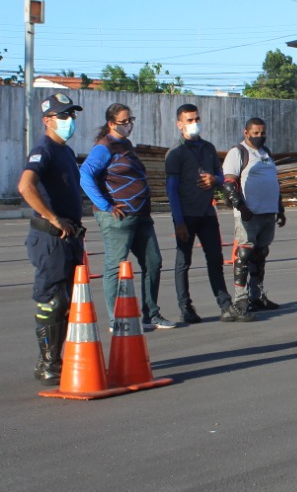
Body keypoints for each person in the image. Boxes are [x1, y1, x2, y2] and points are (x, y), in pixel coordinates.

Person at [80, 103, 177, 332]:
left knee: (153, 261)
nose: (129, 125)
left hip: (140, 215)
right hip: (118, 218)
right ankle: (116, 321)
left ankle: (151, 314)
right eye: (124, 122)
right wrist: (106, 205)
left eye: (130, 120)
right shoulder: (105, 147)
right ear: (111, 124)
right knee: (115, 265)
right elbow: (85, 174)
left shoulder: (126, 145)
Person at [17, 93, 86, 385]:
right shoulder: (43, 149)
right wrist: (52, 216)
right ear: (47, 121)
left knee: (69, 300)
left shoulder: (66, 152)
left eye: (72, 115)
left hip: (69, 236)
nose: (69, 121)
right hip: (50, 237)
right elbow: (25, 185)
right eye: (63, 116)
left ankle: (60, 358)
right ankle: (47, 362)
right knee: (53, 300)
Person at [164, 103, 234, 323]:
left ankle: (225, 304)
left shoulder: (208, 148)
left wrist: (216, 180)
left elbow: (222, 176)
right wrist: (178, 221)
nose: (195, 124)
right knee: (183, 261)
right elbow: (172, 189)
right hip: (186, 214)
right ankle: (185, 307)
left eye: (197, 119)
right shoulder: (175, 153)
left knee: (215, 258)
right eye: (189, 120)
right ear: (179, 124)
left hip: (207, 213)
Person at [221, 117, 285, 321]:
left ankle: (257, 296)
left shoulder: (266, 153)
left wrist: (280, 208)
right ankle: (240, 301)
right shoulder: (237, 152)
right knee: (244, 254)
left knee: (261, 253)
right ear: (245, 132)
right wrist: (240, 206)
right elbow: (229, 183)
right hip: (249, 213)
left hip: (268, 212)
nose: (259, 136)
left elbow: (274, 181)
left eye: (262, 133)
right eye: (255, 133)